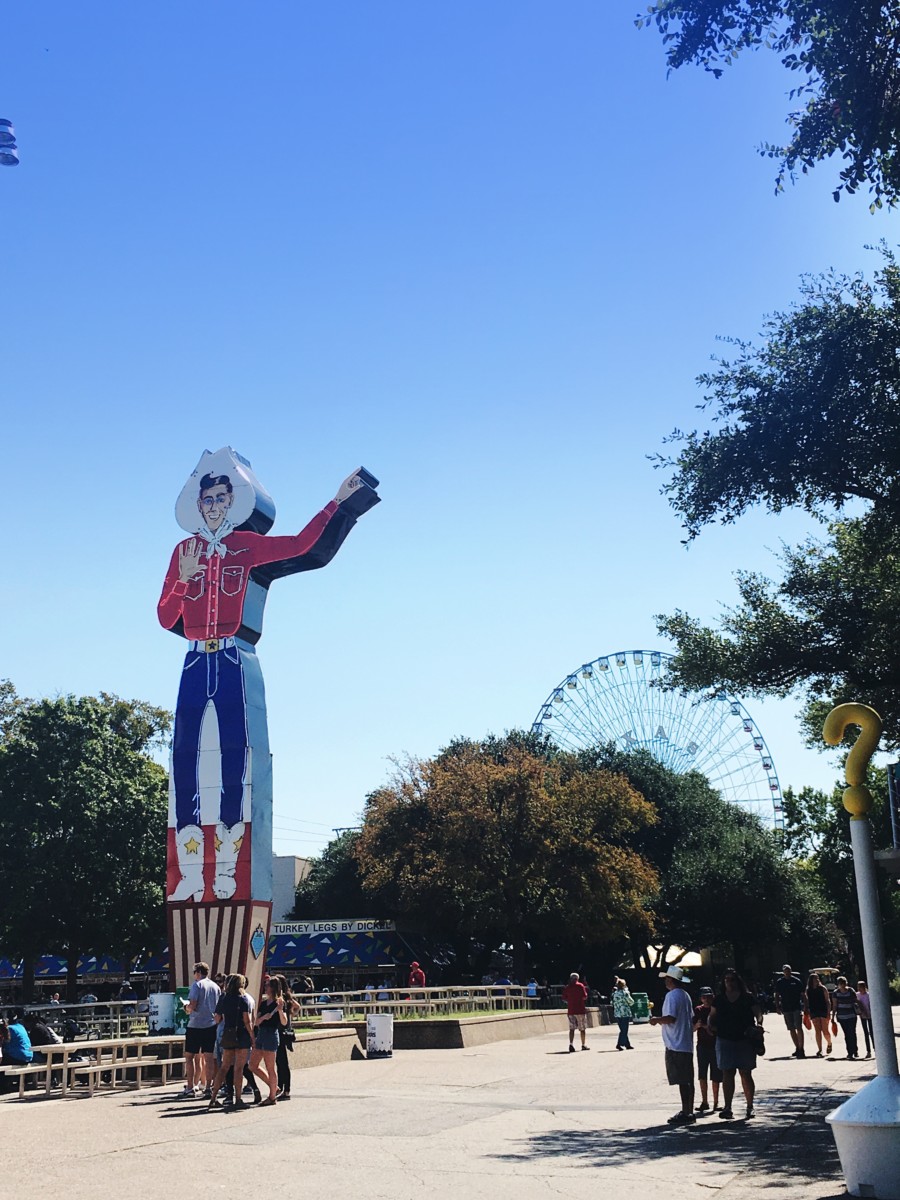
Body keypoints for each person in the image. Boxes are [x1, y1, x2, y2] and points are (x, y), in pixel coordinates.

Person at [159, 458, 379, 903]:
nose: (215, 506)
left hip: (236, 660)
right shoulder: (184, 553)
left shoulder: (248, 547)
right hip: (193, 663)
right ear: (198, 505)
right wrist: (182, 582)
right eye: (208, 500)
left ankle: (226, 870)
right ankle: (188, 870)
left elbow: (304, 546)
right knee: (186, 765)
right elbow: (166, 618)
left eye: (222, 498)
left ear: (234, 502)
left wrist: (339, 503)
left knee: (236, 763)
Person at [709, 968, 763, 1121]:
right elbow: (712, 1016)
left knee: (745, 1073)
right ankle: (727, 1107)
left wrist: (759, 1025)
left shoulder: (747, 997)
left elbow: (758, 1013)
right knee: (727, 1072)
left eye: (732, 979)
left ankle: (750, 1106)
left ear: (738, 981)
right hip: (725, 1038)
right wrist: (711, 1027)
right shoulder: (719, 999)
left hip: (745, 1038)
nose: (729, 982)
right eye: (726, 979)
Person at [649, 965, 695, 1125]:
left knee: (682, 1080)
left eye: (667, 978)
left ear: (671, 980)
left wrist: (656, 1020)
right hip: (686, 1042)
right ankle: (689, 1109)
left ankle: (686, 1111)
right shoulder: (685, 995)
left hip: (676, 1042)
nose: (665, 981)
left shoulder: (672, 996)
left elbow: (670, 1018)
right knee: (688, 1079)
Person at [208, 975, 254, 1111]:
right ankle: (238, 1098)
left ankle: (213, 1098)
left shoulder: (223, 998)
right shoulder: (243, 999)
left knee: (224, 1067)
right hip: (242, 1035)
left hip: (228, 1034)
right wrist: (253, 1037)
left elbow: (217, 1018)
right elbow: (247, 1021)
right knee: (238, 1068)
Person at [181, 962, 221, 1099]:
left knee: (190, 1056)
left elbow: (192, 1005)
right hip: (210, 1025)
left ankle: (191, 1086)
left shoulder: (197, 985)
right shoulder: (216, 987)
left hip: (196, 1025)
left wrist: (186, 1008)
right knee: (208, 1057)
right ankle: (209, 1086)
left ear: (198, 972)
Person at [249, 976, 287, 1106]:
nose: (265, 988)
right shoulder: (264, 1004)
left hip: (271, 1034)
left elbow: (284, 1022)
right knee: (252, 1065)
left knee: (270, 1067)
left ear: (273, 988)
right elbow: (256, 1022)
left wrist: (281, 1011)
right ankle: (274, 1087)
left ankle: (272, 1097)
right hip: (261, 1034)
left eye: (267, 986)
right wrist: (264, 1017)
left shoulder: (279, 1003)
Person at [693, 986, 722, 1112]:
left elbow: (718, 1028)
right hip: (702, 1046)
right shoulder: (698, 1010)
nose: (707, 999)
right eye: (704, 997)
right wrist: (698, 1025)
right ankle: (705, 1101)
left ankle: (716, 1102)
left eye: (709, 997)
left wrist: (704, 1026)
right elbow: (692, 1028)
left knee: (716, 1074)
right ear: (700, 998)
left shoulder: (717, 1010)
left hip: (716, 1045)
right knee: (702, 1073)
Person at [273, 974, 299, 1100]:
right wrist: (291, 1017)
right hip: (286, 1032)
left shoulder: (279, 998)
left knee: (280, 1062)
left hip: (279, 1031)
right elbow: (297, 1006)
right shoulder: (288, 997)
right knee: (283, 1062)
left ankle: (282, 1087)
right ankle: (286, 1088)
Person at [773, 964, 805, 1058]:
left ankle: (801, 1048)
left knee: (799, 1027)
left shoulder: (796, 981)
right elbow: (777, 994)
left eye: (789, 970)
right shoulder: (780, 982)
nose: (787, 972)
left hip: (796, 1007)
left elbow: (803, 994)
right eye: (785, 970)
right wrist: (777, 1006)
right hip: (786, 1008)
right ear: (783, 972)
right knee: (791, 1028)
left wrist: (806, 1006)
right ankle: (797, 1048)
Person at [803, 972, 832, 1057]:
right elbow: (807, 1001)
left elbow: (828, 1001)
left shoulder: (823, 988)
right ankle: (820, 1049)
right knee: (817, 1031)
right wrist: (806, 1011)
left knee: (825, 1030)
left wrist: (828, 1012)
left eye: (817, 978)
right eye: (815, 978)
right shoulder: (808, 990)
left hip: (823, 1010)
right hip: (814, 1011)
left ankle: (829, 1043)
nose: (817, 980)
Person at [831, 976, 860, 1059]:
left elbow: (855, 1001)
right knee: (847, 1034)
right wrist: (832, 1017)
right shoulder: (835, 993)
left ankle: (855, 1050)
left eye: (843, 983)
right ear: (838, 984)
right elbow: (835, 1005)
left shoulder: (851, 991)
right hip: (842, 1016)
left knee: (852, 1033)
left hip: (851, 1015)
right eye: (840, 984)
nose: (842, 985)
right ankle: (849, 1052)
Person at [562, 972, 590, 1052]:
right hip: (580, 1009)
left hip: (571, 1010)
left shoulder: (567, 987)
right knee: (582, 1028)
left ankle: (571, 1044)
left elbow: (564, 998)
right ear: (577, 978)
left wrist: (569, 1000)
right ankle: (583, 1045)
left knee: (571, 1029)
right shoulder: (580, 986)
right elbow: (585, 996)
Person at [612, 977, 635, 1050]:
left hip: (617, 1013)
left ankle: (627, 1044)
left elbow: (612, 1002)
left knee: (622, 1029)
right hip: (625, 1013)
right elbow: (631, 1002)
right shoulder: (625, 993)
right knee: (624, 1030)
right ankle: (619, 1044)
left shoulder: (614, 993)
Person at [856, 980, 873, 1058]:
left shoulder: (869, 995)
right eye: (858, 987)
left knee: (872, 1033)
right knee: (866, 1033)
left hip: (870, 1016)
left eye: (861, 987)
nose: (859, 989)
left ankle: (875, 1048)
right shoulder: (857, 995)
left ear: (864, 987)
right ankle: (868, 1051)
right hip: (862, 1016)